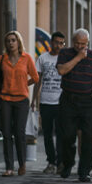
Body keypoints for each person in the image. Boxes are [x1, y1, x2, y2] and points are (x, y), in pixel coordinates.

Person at [56, 28, 92, 182]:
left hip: (88, 102)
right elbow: (62, 71)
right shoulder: (65, 54)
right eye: (77, 43)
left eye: (83, 44)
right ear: (72, 41)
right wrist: (78, 57)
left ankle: (84, 170)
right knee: (67, 135)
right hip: (68, 100)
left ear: (87, 42)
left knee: (89, 137)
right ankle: (68, 163)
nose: (80, 46)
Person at [0, 31, 38, 177]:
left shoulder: (27, 58)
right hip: (5, 99)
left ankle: (22, 164)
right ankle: (9, 167)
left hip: (21, 100)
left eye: (13, 40)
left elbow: (36, 78)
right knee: (6, 133)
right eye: (8, 41)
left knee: (19, 132)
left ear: (18, 42)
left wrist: (24, 83)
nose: (11, 43)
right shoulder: (1, 59)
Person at [32, 31, 65, 174]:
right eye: (56, 42)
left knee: (61, 133)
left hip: (61, 102)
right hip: (46, 102)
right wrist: (34, 100)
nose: (58, 45)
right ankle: (51, 161)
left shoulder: (65, 58)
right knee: (47, 134)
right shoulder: (42, 58)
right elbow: (37, 80)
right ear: (51, 43)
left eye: (61, 43)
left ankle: (60, 162)